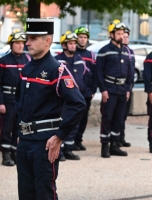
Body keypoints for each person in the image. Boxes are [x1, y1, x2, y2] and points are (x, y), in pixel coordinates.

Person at [16, 18, 86, 200]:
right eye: (27, 38)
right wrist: (19, 130)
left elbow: (78, 104)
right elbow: (19, 102)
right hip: (25, 141)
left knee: (45, 193)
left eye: (33, 38)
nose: (27, 43)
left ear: (47, 41)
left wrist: (60, 136)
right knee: (25, 193)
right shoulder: (27, 68)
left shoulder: (57, 70)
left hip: (44, 144)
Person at [95, 19, 133, 158]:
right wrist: (103, 90)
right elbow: (98, 72)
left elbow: (129, 71)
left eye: (123, 33)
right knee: (108, 117)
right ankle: (105, 146)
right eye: (118, 33)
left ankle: (115, 145)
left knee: (119, 118)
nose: (121, 36)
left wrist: (128, 88)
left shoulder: (126, 51)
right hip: (109, 89)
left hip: (123, 89)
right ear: (111, 34)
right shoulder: (104, 51)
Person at [55, 30, 90, 160]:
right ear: (64, 45)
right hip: (63, 99)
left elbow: (86, 76)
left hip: (77, 97)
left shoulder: (79, 59)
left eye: (74, 44)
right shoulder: (57, 60)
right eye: (70, 43)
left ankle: (69, 148)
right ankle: (60, 149)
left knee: (74, 123)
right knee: (61, 123)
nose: (73, 46)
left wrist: (86, 92)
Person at [0, 30, 31, 166]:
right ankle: (5, 153)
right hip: (7, 99)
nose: (20, 45)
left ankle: (15, 152)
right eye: (17, 43)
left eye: (22, 43)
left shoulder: (28, 60)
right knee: (7, 127)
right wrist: (1, 102)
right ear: (11, 44)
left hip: (22, 100)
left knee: (18, 127)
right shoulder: (3, 61)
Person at [74, 26, 97, 151]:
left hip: (87, 92)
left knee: (84, 118)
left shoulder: (91, 55)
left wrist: (93, 90)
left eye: (85, 37)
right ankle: (69, 141)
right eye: (80, 37)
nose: (82, 40)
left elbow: (94, 73)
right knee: (73, 117)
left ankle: (78, 140)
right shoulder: (73, 52)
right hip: (75, 91)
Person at [119, 26, 135, 148]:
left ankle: (121, 137)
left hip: (128, 87)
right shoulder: (120, 52)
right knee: (116, 115)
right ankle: (115, 139)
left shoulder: (130, 52)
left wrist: (129, 88)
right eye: (123, 36)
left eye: (127, 37)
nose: (125, 38)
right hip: (117, 88)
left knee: (123, 115)